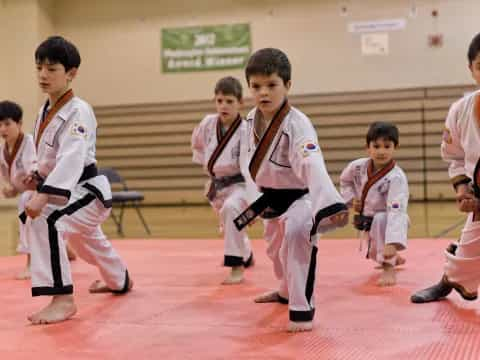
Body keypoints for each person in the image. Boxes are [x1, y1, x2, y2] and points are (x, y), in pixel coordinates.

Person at [235, 48, 348, 332]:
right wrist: (250, 203)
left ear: (287, 86)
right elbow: (246, 164)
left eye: (272, 85)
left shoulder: (299, 124)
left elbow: (311, 162)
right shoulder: (249, 121)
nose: (264, 92)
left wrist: (329, 204)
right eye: (256, 86)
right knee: (275, 252)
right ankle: (285, 290)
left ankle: (301, 309)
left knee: (298, 236)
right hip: (270, 197)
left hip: (302, 196)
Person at [24, 35, 132, 325]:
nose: (43, 75)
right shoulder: (44, 110)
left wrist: (44, 194)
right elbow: (47, 156)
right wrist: (35, 176)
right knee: (87, 241)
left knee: (45, 218)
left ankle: (62, 299)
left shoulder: (79, 110)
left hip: (86, 191)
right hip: (69, 191)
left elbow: (72, 157)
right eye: (39, 68)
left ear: (71, 74)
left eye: (51, 68)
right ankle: (119, 279)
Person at [411, 32, 480, 303]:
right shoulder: (460, 111)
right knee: (466, 255)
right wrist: (463, 190)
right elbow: (455, 156)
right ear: (471, 70)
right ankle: (450, 280)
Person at [191, 76, 255, 284]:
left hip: (242, 184)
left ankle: (236, 266)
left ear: (240, 103)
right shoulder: (208, 124)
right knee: (230, 225)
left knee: (231, 210)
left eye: (229, 101)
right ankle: (246, 253)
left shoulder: (247, 130)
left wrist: (254, 202)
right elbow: (198, 147)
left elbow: (249, 167)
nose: (223, 106)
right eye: (219, 101)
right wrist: (210, 175)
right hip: (218, 185)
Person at [340, 122, 409, 286]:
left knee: (381, 221)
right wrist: (351, 199)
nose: (381, 151)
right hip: (367, 220)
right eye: (376, 146)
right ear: (368, 148)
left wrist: (392, 243)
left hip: (390, 219)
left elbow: (396, 211)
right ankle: (395, 258)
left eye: (387, 146)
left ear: (395, 147)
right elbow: (345, 181)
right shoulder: (357, 167)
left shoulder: (396, 177)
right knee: (373, 253)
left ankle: (389, 268)